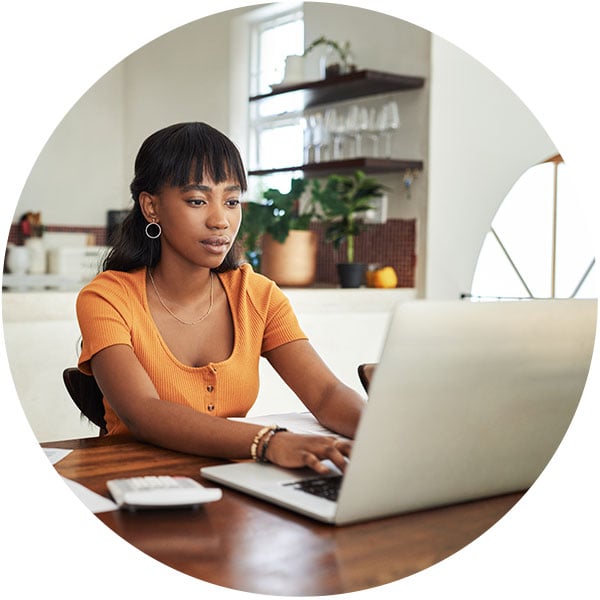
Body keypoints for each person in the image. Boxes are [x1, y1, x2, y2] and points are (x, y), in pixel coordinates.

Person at [76, 122, 366, 475]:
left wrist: (385, 434)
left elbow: (326, 395)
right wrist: (268, 442)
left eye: (231, 201)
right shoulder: (107, 297)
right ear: (151, 207)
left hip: (235, 486)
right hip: (135, 489)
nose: (220, 221)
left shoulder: (257, 296)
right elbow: (142, 412)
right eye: (197, 201)